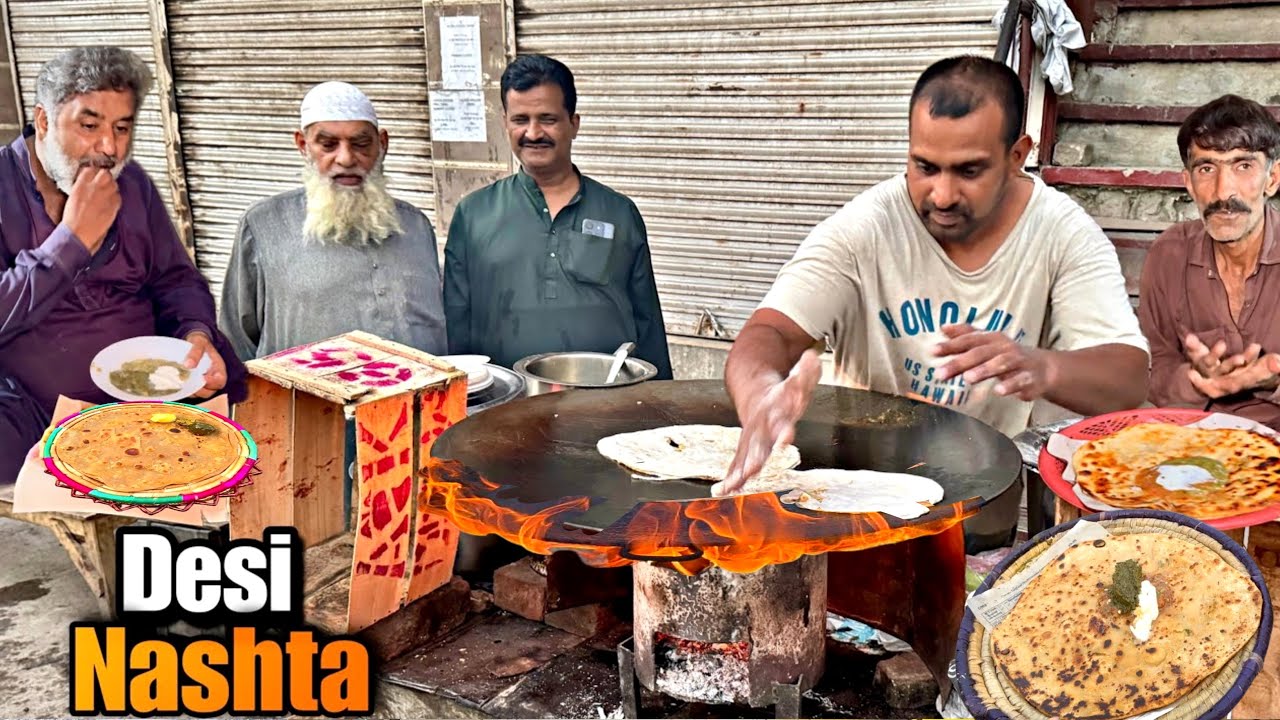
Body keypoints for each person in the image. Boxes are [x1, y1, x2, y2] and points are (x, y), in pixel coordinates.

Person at [717, 55, 1150, 496]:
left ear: (1017, 156)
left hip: (985, 497)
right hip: (856, 493)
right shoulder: (865, 228)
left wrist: (1043, 367)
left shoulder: (1062, 232)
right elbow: (770, 331)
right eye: (925, 167)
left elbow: (1129, 378)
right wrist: (760, 393)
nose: (942, 196)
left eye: (969, 171)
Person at [0, 46, 244, 483]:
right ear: (43, 121)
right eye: (89, 125)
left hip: (150, 397)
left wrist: (195, 334)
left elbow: (176, 280)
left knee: (241, 439)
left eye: (122, 128)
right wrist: (71, 242)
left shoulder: (132, 185)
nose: (109, 148)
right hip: (31, 412)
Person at [443, 54, 672, 378]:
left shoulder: (619, 213)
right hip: (506, 399)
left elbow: (648, 323)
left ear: (573, 123)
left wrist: (660, 397)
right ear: (505, 123)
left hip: (606, 397)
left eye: (547, 119)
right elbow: (456, 323)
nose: (533, 132)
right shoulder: (474, 214)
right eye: (520, 119)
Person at [219, 81, 446, 361]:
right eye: (328, 145)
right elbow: (235, 341)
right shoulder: (263, 225)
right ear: (303, 145)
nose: (346, 158)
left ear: (382, 144)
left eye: (361, 144)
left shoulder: (416, 226)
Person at [1139, 95, 1280, 430]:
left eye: (1243, 166)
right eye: (1206, 169)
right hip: (1194, 440)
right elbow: (1154, 367)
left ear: (1272, 179)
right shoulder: (1169, 254)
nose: (1222, 192)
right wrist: (1197, 379)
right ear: (1188, 182)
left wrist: (1274, 380)